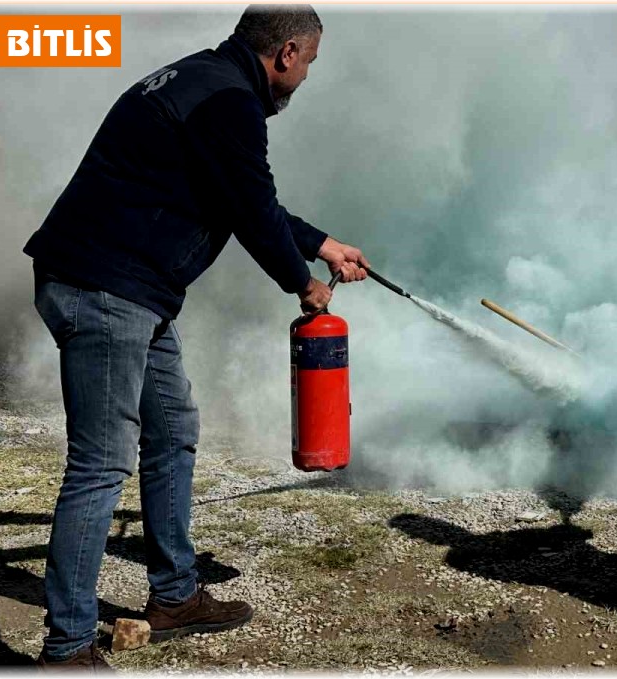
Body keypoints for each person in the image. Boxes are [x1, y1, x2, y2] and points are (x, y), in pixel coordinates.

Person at [22, 5, 371, 669]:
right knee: (100, 464)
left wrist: (324, 244)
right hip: (103, 287)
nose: (304, 81)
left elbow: (245, 196)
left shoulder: (202, 80)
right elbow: (250, 208)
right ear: (288, 53)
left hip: (131, 288)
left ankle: (175, 596)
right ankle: (66, 647)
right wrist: (303, 281)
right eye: (310, 65)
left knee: (174, 428)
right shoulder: (228, 102)